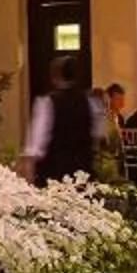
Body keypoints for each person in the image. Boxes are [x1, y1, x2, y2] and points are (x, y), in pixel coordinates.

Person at [22, 56, 105, 186]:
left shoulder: (47, 103)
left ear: (55, 76)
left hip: (53, 174)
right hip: (82, 172)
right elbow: (97, 135)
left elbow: (37, 144)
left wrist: (29, 172)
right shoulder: (91, 103)